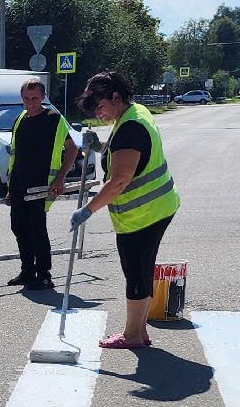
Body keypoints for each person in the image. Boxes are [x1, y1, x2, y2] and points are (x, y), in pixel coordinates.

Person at [71, 69, 181, 350]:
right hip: (157, 207)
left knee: (135, 271)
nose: (99, 113)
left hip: (143, 214)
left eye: (100, 106)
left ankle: (132, 335)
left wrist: (87, 210)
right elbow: (119, 151)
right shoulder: (134, 114)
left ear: (115, 96)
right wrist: (98, 147)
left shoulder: (131, 127)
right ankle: (139, 331)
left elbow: (119, 180)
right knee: (142, 269)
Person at [4, 78, 79, 291]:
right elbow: (15, 155)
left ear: (43, 97)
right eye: (26, 98)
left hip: (41, 185)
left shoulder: (54, 118)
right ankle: (27, 270)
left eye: (34, 98)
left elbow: (73, 148)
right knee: (19, 227)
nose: (30, 103)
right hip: (19, 183)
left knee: (37, 229)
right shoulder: (20, 119)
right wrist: (11, 186)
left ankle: (44, 274)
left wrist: (60, 178)